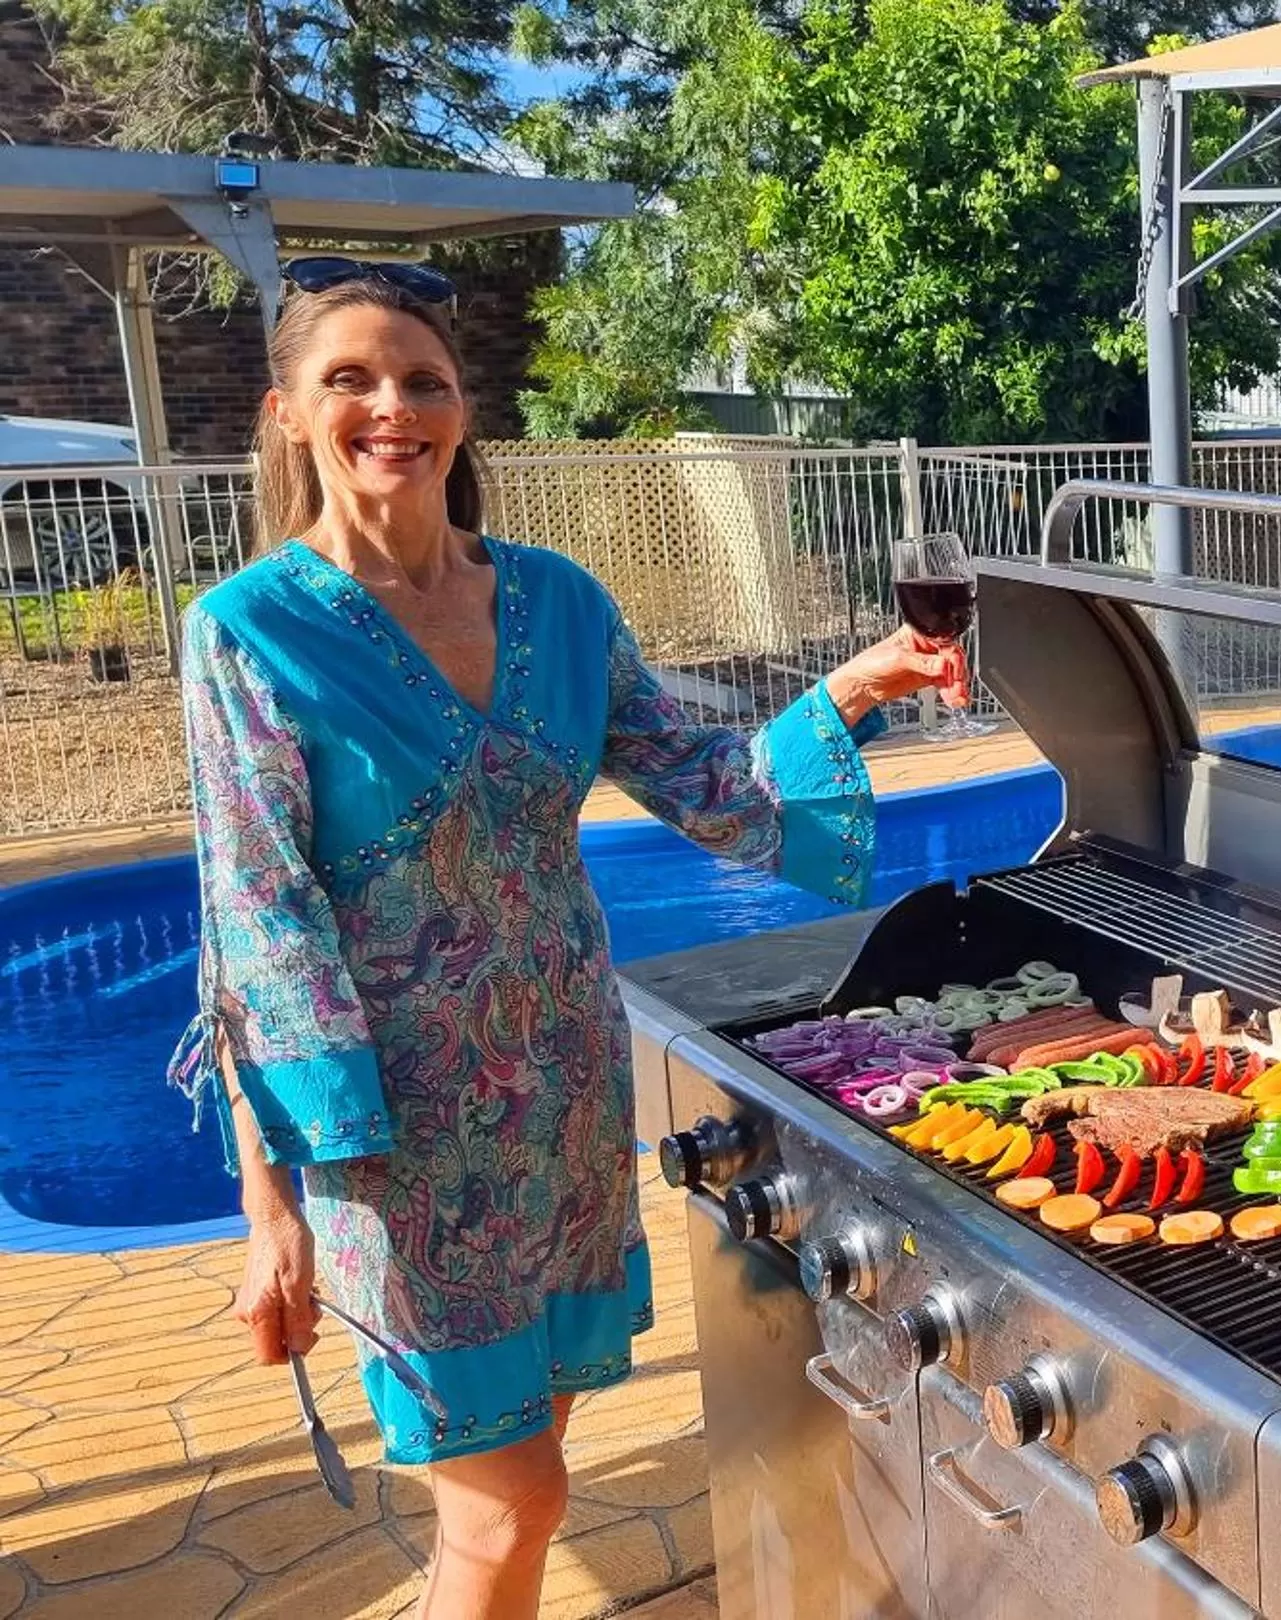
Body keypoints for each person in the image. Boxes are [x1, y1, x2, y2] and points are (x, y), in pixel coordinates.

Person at [166, 259, 952, 1620]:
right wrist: (271, 1209)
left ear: (463, 411)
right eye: (349, 378)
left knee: (518, 1498)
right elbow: (256, 924)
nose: (391, 407)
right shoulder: (247, 633)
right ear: (288, 412)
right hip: (395, 1153)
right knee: (511, 1501)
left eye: (423, 380)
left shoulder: (557, 603)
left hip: (560, 1112)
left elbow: (711, 787)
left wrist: (862, 681)